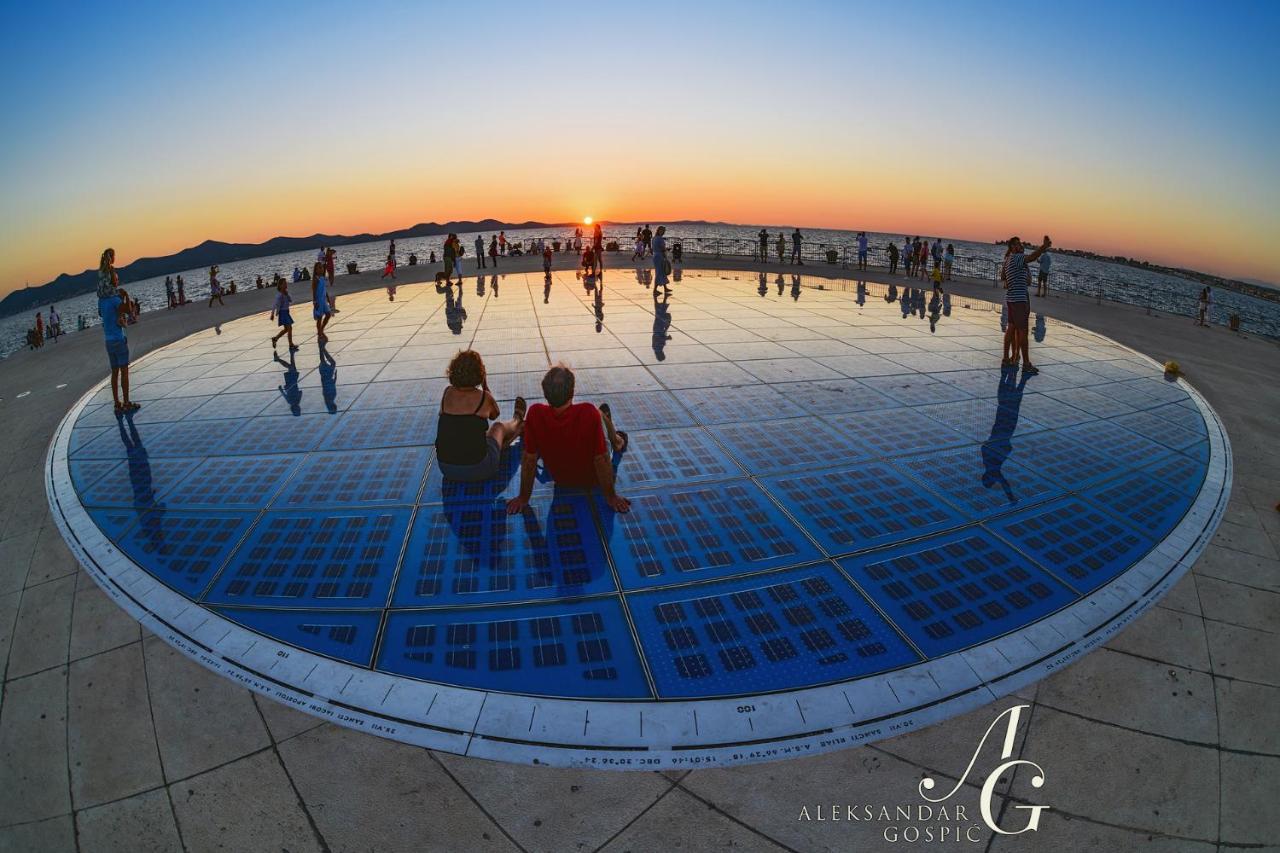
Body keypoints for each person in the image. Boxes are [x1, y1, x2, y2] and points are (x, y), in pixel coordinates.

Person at [506, 364, 630, 515]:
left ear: (545, 393)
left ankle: (607, 429)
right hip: (593, 479)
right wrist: (611, 497)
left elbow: (529, 460)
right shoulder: (588, 412)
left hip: (562, 479)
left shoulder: (535, 413)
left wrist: (523, 497)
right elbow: (601, 459)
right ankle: (618, 441)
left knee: (544, 436)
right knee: (599, 414)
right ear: (572, 392)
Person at [435, 350, 527, 481]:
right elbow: (495, 415)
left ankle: (501, 444)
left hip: (447, 469)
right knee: (498, 427)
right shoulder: (484, 397)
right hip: (481, 469)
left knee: (468, 433)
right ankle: (517, 421)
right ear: (480, 373)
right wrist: (485, 385)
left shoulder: (447, 393)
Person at [1001, 235, 1051, 375]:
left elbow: (1003, 276)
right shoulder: (1017, 258)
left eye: (1020, 244)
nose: (1020, 246)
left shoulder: (1010, 260)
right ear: (1012, 248)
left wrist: (1014, 277)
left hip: (1013, 299)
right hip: (1019, 300)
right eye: (1017, 244)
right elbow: (1032, 257)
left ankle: (1009, 358)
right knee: (1022, 332)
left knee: (1012, 329)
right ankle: (1026, 363)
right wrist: (1043, 247)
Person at [100, 286, 137, 412]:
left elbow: (101, 313)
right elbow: (128, 310)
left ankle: (117, 403)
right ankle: (126, 402)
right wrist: (125, 295)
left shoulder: (101, 300)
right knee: (124, 371)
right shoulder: (115, 300)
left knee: (114, 372)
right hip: (118, 340)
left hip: (108, 341)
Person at [271, 281, 298, 350]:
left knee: (286, 329)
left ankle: (275, 338)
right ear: (280, 286)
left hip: (286, 312)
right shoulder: (279, 295)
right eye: (284, 284)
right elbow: (274, 304)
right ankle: (291, 344)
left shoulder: (286, 293)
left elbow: (290, 300)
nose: (286, 285)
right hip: (283, 313)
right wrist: (272, 314)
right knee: (289, 328)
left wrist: (287, 295)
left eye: (286, 283)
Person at [312, 261, 332, 343]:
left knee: (328, 314)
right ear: (315, 270)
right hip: (318, 301)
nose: (321, 269)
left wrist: (328, 298)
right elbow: (313, 291)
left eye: (322, 267)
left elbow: (324, 289)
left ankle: (321, 330)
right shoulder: (315, 279)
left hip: (324, 300)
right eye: (319, 268)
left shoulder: (323, 278)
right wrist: (315, 301)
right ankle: (320, 333)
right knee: (319, 318)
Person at [652, 225, 671, 295]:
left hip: (655, 256)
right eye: (663, 231)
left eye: (664, 231)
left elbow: (653, 248)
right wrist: (667, 250)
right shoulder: (660, 239)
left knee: (662, 272)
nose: (663, 232)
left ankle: (665, 288)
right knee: (659, 272)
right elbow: (662, 249)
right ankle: (654, 290)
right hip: (659, 256)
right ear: (659, 231)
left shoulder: (654, 238)